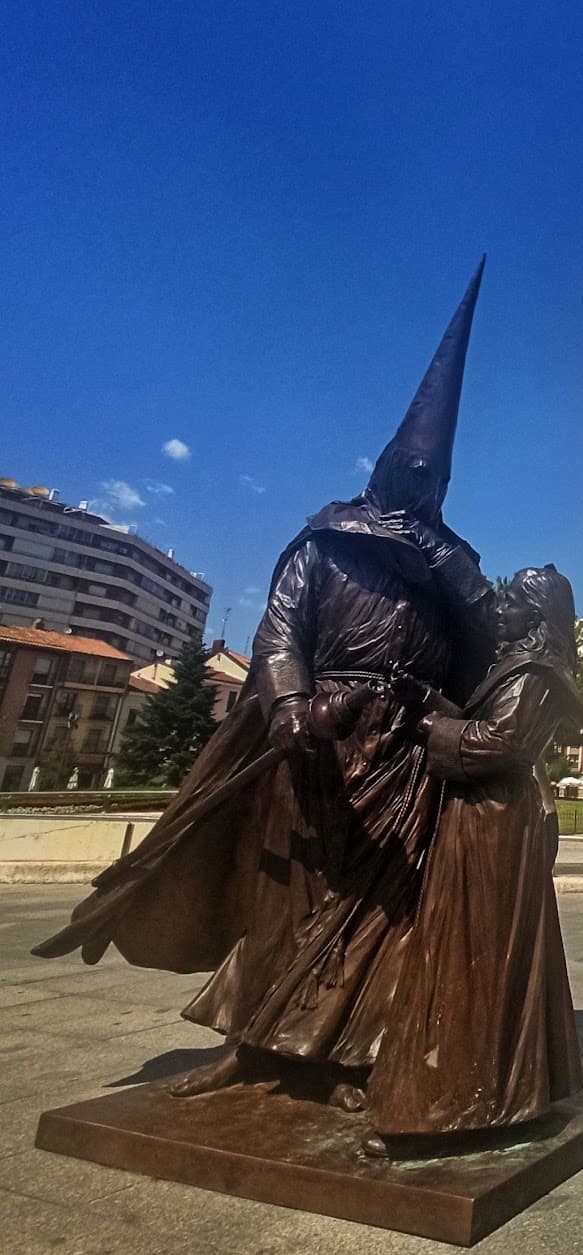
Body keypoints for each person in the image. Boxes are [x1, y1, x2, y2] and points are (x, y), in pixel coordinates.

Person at [34, 262, 495, 1111]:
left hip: (402, 755)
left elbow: (484, 643)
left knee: (380, 907)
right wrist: (289, 705)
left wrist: (442, 569)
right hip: (318, 742)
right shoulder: (325, 544)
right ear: (386, 466)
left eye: (434, 477)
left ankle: (346, 1054)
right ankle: (250, 1045)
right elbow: (279, 634)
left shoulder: (451, 564)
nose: (421, 484)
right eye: (411, 470)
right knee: (286, 895)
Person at [365, 565, 583, 1153]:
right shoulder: (518, 667)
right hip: (484, 815)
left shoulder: (534, 673)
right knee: (469, 947)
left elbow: (505, 743)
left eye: (510, 602)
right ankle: (484, 1091)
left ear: (534, 616)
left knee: (479, 950)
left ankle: (471, 1099)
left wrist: (432, 726)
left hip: (496, 821)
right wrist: (429, 700)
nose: (499, 610)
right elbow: (488, 723)